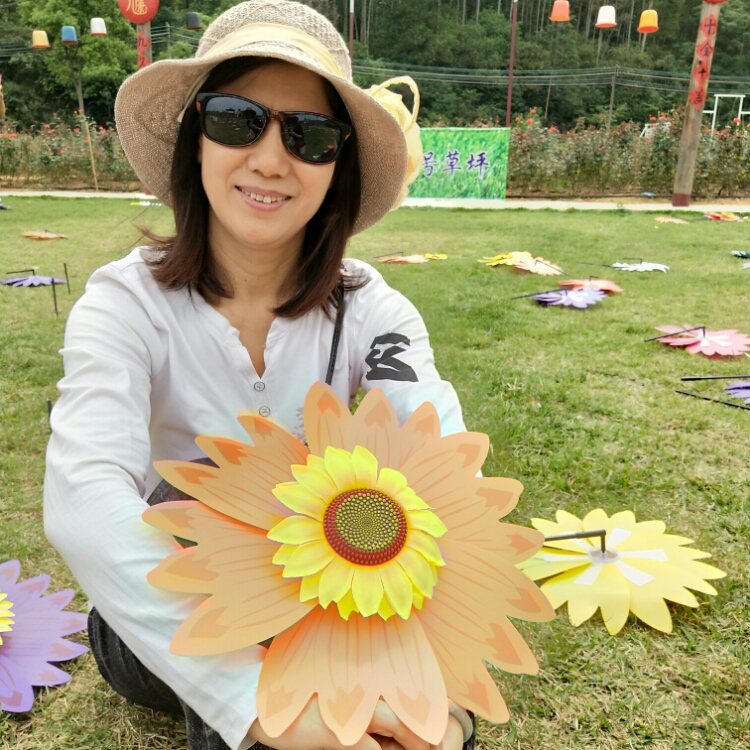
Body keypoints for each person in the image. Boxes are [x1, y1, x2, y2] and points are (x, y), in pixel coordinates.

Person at [44, 3, 473, 750]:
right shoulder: (123, 304)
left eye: (309, 135)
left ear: (338, 167)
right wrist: (259, 706)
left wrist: (445, 684)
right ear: (196, 139)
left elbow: (443, 461)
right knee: (207, 493)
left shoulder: (373, 310)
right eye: (238, 121)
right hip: (161, 613)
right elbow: (84, 495)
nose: (272, 161)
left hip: (319, 599)